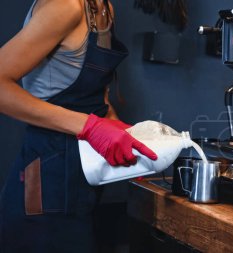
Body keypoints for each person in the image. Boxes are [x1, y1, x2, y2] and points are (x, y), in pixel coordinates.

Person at [0, 0, 157, 252]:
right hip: (46, 184)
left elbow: (95, 95)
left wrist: (124, 136)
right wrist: (90, 127)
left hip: (83, 183)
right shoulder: (64, 6)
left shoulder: (103, 7)